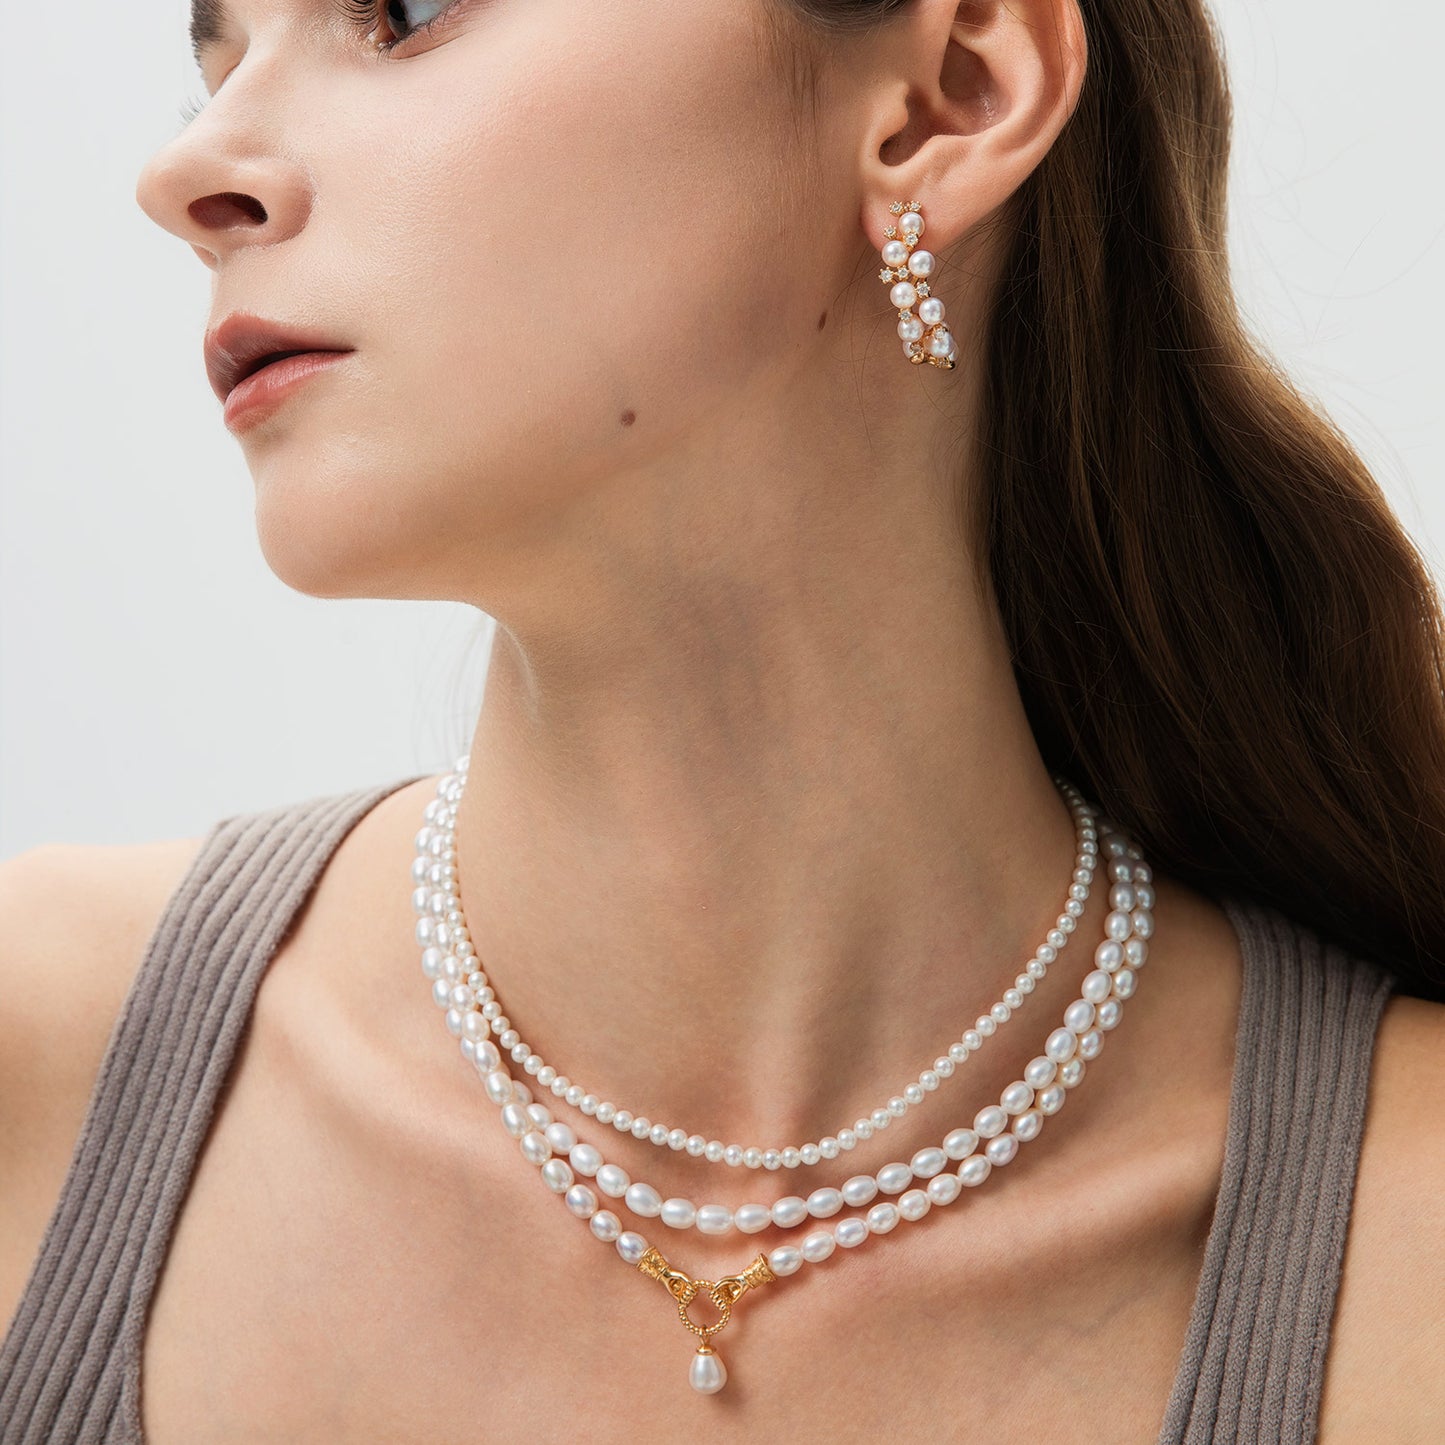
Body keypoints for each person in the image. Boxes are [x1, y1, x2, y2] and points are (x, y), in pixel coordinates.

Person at [2, 0, 1442, 1438]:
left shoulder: (1409, 1248)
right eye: (216, 56)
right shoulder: (36, 1066)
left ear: (945, 98)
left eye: (402, 11)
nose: (186, 171)